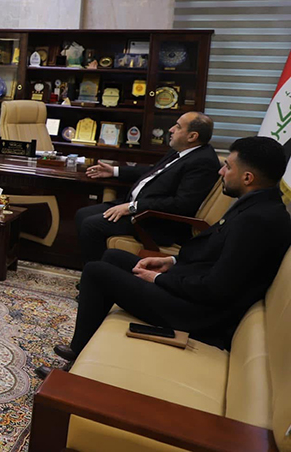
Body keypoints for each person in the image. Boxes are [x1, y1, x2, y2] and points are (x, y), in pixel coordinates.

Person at [37, 136, 291, 379]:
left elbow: (216, 288)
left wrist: (159, 279)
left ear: (248, 177)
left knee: (96, 272)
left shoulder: (258, 221)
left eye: (228, 167)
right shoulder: (257, 205)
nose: (221, 171)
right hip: (193, 288)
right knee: (113, 257)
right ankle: (84, 346)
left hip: (197, 313)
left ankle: (75, 361)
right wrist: (171, 262)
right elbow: (213, 254)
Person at [76, 111, 220, 264]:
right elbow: (154, 171)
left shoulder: (203, 162)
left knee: (92, 225)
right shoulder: (181, 151)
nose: (171, 129)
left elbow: (182, 204)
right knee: (83, 214)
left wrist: (133, 207)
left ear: (192, 136)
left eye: (178, 127)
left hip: (154, 221)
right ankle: (94, 268)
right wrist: (114, 171)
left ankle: (97, 274)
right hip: (139, 208)